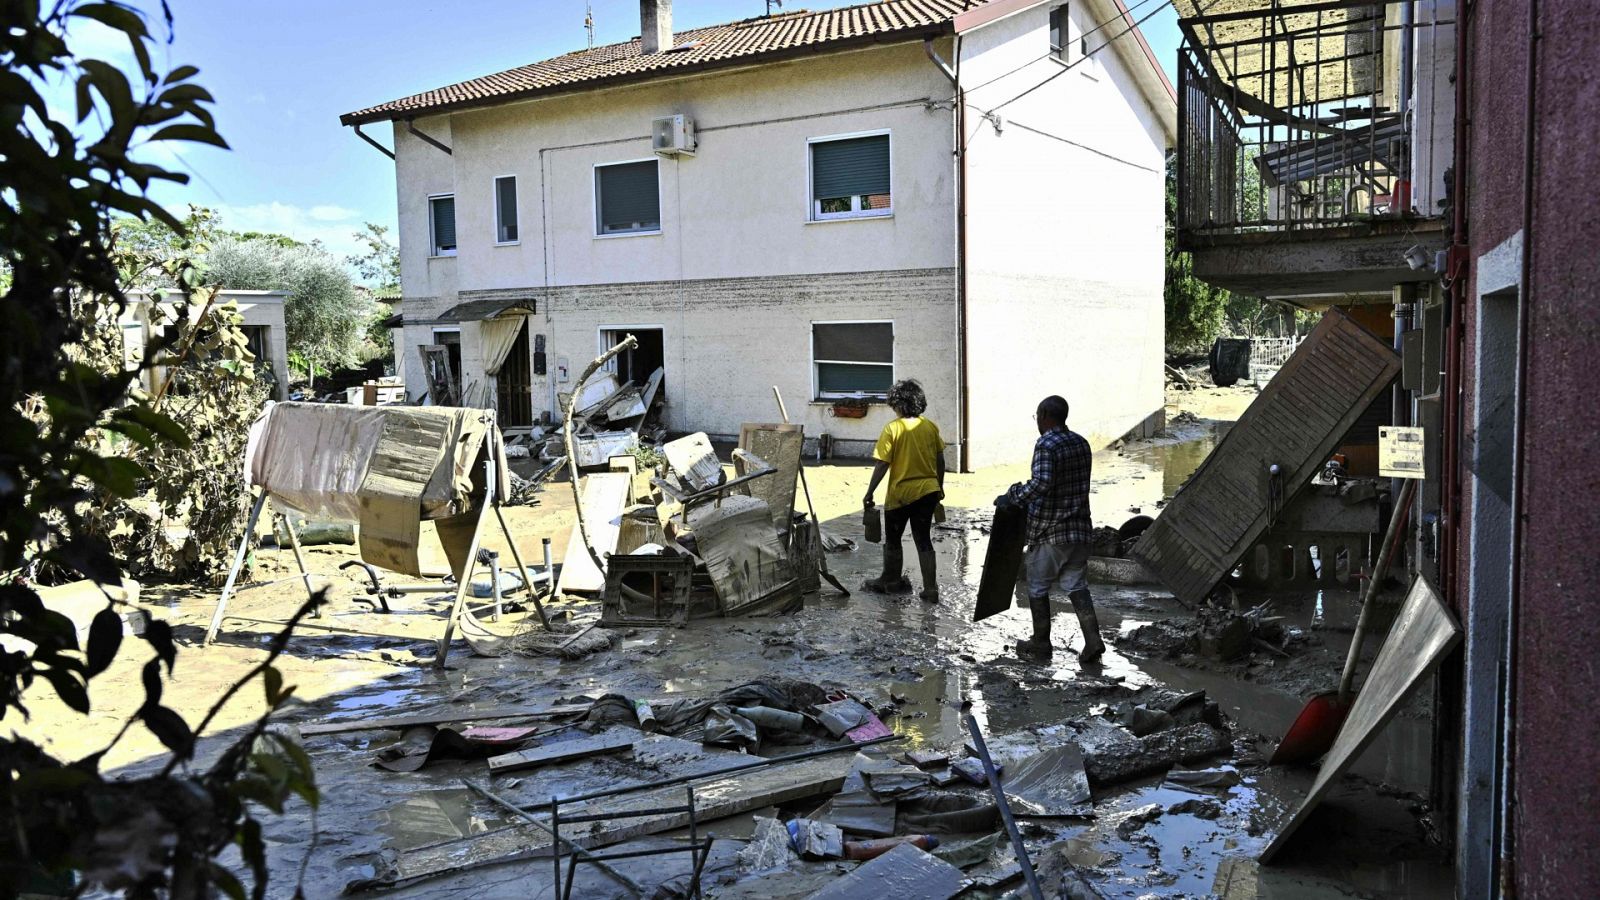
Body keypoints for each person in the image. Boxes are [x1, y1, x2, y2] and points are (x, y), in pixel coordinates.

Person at [997, 395, 1105, 663]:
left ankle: (1041, 643)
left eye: (1037, 416)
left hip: (1051, 532)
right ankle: (1093, 641)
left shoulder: (1046, 444)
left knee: (1037, 587)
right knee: (1075, 584)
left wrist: (1014, 497)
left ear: (1045, 415)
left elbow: (1042, 483)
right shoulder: (1081, 442)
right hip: (1079, 530)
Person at [862, 380, 946, 602]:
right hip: (928, 491)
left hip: (901, 494)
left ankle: (891, 582)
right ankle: (930, 589)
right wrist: (940, 487)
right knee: (923, 539)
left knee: (893, 540)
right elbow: (940, 459)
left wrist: (869, 492)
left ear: (898, 404)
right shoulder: (930, 427)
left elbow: (882, 464)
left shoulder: (892, 429)